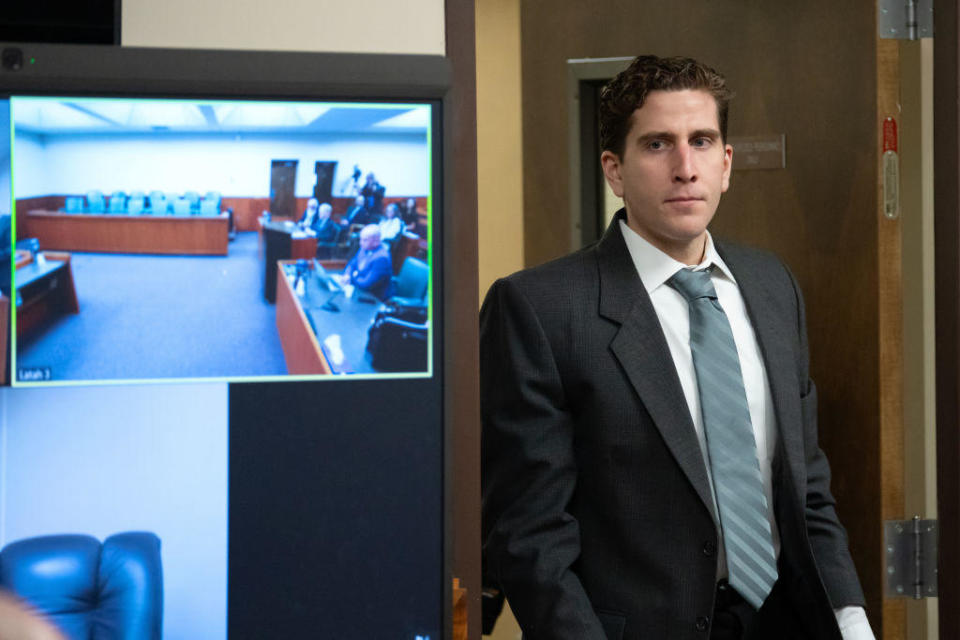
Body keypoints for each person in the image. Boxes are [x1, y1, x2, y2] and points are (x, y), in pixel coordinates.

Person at [480, 55, 874, 640]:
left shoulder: (772, 286)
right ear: (614, 170)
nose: (686, 168)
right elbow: (529, 534)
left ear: (727, 163)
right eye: (658, 144)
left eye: (703, 141)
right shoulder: (539, 308)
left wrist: (851, 619)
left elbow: (806, 485)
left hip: (787, 622)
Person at [338, 224, 392, 299]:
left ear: (376, 241)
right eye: (361, 239)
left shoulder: (381, 258)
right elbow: (352, 264)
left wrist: (352, 278)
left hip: (372, 297)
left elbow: (366, 284)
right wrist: (347, 275)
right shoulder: (365, 248)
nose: (361, 243)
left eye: (365, 240)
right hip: (358, 288)